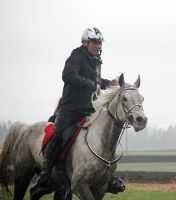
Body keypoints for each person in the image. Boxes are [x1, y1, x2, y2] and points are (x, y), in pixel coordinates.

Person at [35, 27, 120, 189]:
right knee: (58, 134)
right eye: (95, 42)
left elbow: (95, 80)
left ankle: (108, 176)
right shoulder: (76, 56)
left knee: (104, 135)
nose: (98, 46)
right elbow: (68, 75)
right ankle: (45, 174)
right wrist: (91, 85)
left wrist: (109, 83)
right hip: (71, 107)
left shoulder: (96, 61)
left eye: (100, 42)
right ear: (85, 42)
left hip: (89, 108)